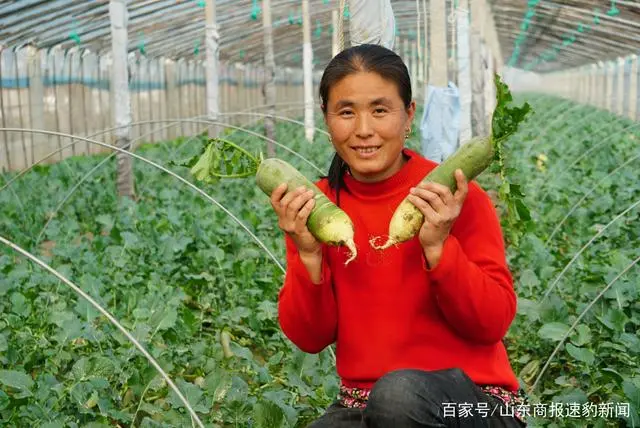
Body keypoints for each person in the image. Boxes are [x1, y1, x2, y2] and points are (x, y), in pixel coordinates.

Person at [269, 44, 528, 428]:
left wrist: (440, 248)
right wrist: (309, 256)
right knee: (385, 404)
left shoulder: (454, 198)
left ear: (408, 115)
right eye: (346, 112)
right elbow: (310, 338)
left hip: (474, 405)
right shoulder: (318, 209)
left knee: (398, 397)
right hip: (362, 405)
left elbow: (492, 323)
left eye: (379, 110)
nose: (363, 130)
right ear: (326, 119)